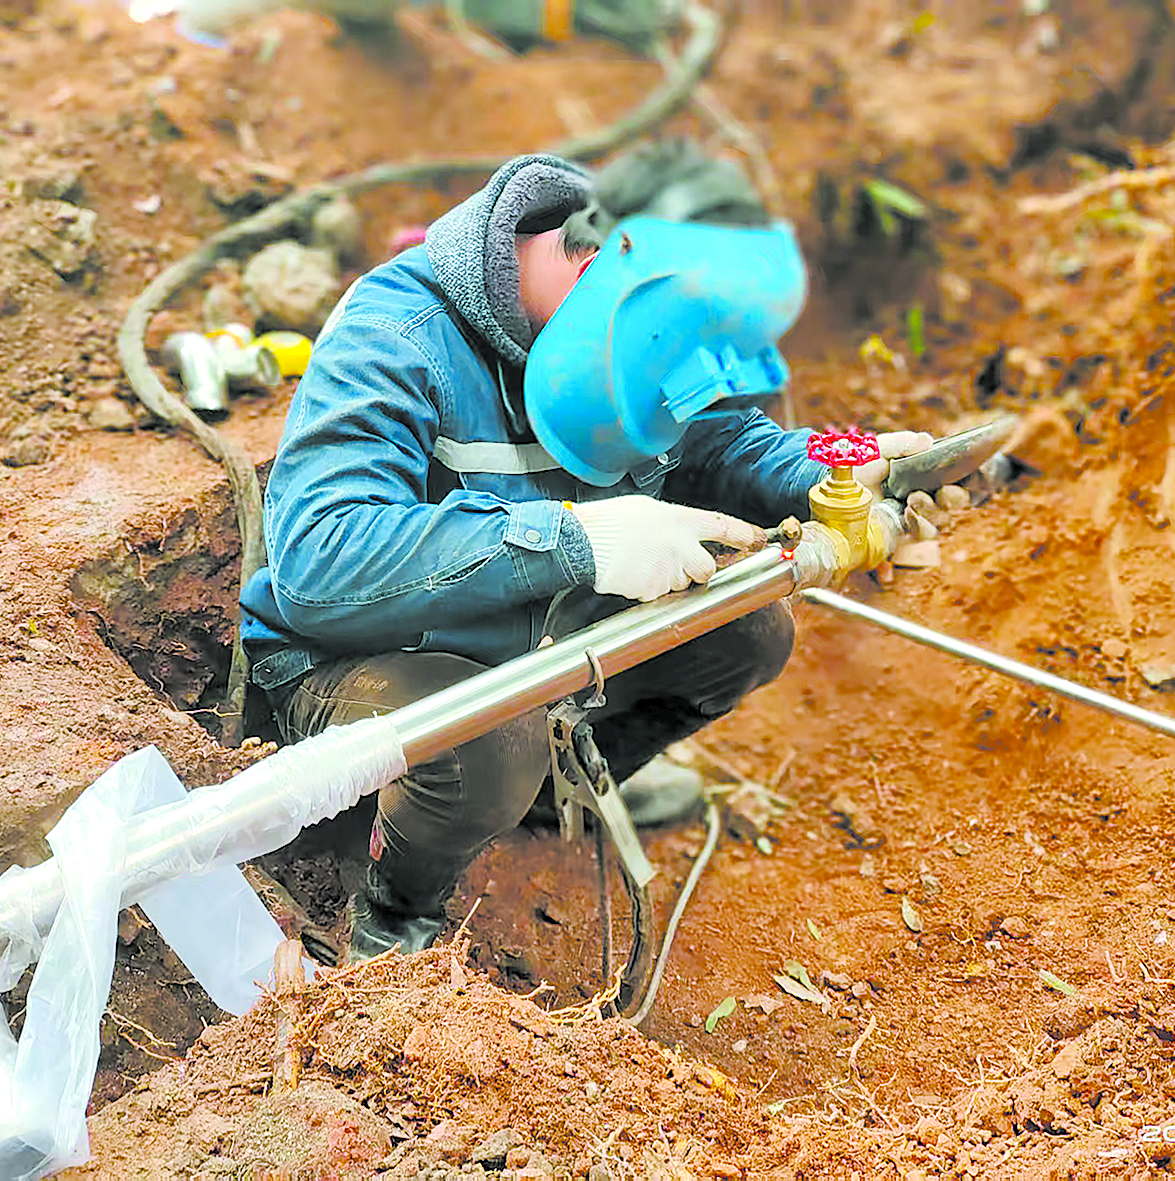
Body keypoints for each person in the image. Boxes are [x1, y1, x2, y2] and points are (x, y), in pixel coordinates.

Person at [238, 141, 933, 960]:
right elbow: (321, 559)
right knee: (487, 738)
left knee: (747, 631)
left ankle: (541, 793)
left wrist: (827, 473)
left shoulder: (634, 322)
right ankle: (392, 917)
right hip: (357, 654)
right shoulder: (396, 334)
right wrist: (575, 540)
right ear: (601, 271)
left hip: (533, 632)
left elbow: (714, 438)